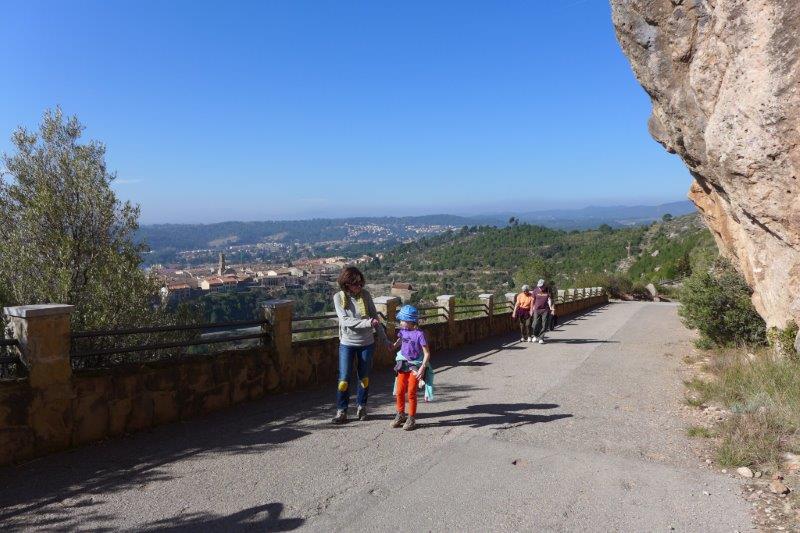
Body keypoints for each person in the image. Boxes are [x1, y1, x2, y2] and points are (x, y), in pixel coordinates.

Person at [331, 266, 386, 424]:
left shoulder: (366, 295)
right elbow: (345, 321)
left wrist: (385, 340)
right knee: (343, 379)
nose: (359, 287)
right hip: (347, 343)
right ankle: (341, 411)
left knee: (364, 378)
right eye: (356, 284)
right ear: (346, 284)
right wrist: (368, 322)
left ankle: (362, 407)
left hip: (367, 343)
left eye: (361, 284)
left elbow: (376, 318)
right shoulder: (338, 297)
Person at [389, 305, 431, 431]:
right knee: (400, 391)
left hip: (415, 366)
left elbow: (427, 353)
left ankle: (411, 417)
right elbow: (399, 341)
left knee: (411, 392)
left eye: (402, 320)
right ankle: (400, 414)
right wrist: (394, 346)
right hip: (403, 364)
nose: (400, 322)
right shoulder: (403, 331)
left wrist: (422, 368)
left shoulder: (419, 334)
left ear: (411, 321)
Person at [531, 279, 555, 344]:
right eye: (539, 286)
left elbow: (551, 300)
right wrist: (531, 310)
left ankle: (541, 338)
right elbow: (532, 301)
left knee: (544, 325)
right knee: (535, 323)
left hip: (545, 310)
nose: (540, 287)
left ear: (545, 285)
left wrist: (552, 309)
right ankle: (535, 335)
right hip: (536, 309)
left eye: (541, 286)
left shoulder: (548, 291)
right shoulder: (535, 290)